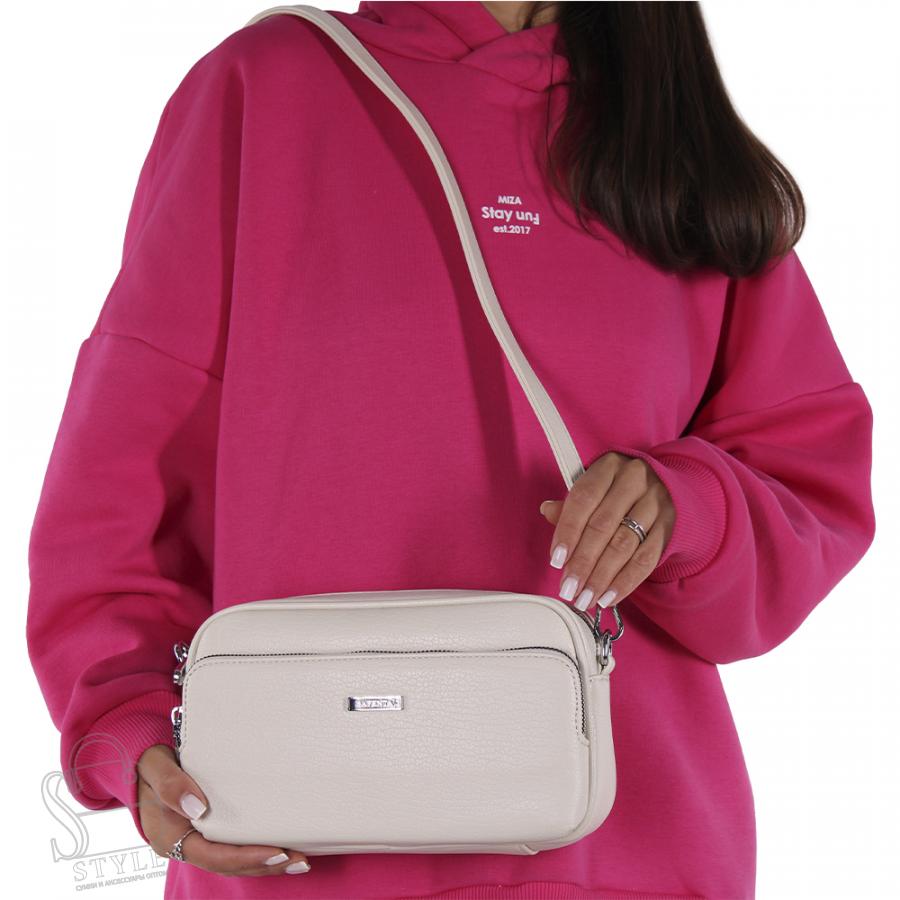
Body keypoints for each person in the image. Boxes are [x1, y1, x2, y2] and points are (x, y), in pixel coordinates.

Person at [26, 2, 876, 898]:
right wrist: (136, 726)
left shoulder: (677, 145)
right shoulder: (265, 90)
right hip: (308, 854)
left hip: (630, 854)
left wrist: (683, 507)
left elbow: (810, 485)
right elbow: (116, 496)